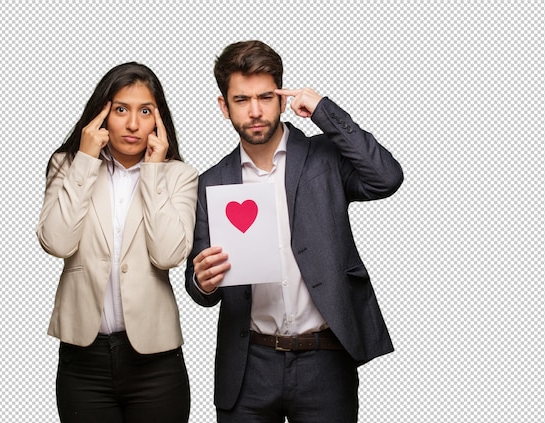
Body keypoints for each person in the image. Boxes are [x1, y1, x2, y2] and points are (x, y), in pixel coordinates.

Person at [185, 40, 404, 422]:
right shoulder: (210, 184)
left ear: (283, 99)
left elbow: (386, 178)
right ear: (224, 107)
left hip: (325, 360)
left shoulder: (324, 157)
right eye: (241, 100)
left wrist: (323, 110)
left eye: (266, 97)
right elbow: (201, 291)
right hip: (249, 366)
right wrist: (202, 282)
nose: (255, 111)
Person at [37, 62, 197, 423]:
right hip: (83, 360)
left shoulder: (179, 176)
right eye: (121, 109)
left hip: (155, 361)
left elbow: (168, 254)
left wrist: (154, 170)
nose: (132, 124)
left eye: (145, 111)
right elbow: (57, 242)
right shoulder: (67, 166)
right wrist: (85, 160)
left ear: (159, 119)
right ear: (102, 114)